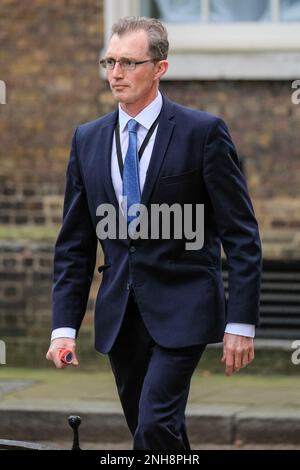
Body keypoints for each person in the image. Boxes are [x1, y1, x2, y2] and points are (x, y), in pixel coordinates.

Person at [46, 16, 262, 450]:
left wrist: (242, 323)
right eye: (110, 61)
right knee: (157, 432)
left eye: (128, 62)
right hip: (120, 316)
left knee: (154, 429)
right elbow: (75, 243)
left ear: (160, 67)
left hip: (186, 306)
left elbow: (241, 234)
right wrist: (63, 328)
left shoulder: (202, 133)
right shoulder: (86, 139)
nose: (116, 73)